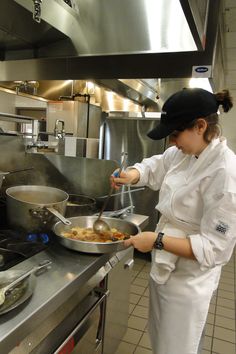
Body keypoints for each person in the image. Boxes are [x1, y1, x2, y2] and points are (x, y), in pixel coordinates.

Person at [111, 87, 236, 354]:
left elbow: (215, 248)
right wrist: (131, 174)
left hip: (190, 280)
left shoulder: (225, 174)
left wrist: (156, 240)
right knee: (162, 339)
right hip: (165, 266)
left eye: (176, 134)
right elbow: (155, 166)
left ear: (200, 126)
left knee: (179, 347)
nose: (172, 142)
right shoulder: (185, 153)